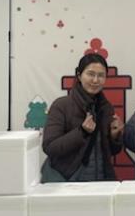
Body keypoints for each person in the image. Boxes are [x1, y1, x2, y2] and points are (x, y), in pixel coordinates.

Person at [41, 53, 124, 182]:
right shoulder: (62, 105)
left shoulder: (106, 108)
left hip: (101, 181)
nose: (95, 80)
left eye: (101, 75)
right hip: (70, 182)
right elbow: (50, 147)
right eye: (90, 74)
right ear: (79, 76)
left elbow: (111, 152)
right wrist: (82, 132)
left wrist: (115, 137)